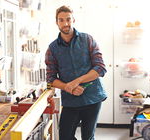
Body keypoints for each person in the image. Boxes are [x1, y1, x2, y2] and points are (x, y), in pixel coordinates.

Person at [45, 5, 107, 140]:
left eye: (68, 19)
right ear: (57, 22)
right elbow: (50, 78)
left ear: (74, 20)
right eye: (61, 20)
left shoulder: (87, 39)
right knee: (65, 136)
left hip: (92, 97)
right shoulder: (52, 49)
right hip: (70, 100)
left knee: (87, 137)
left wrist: (75, 82)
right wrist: (68, 88)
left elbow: (100, 68)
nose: (65, 23)